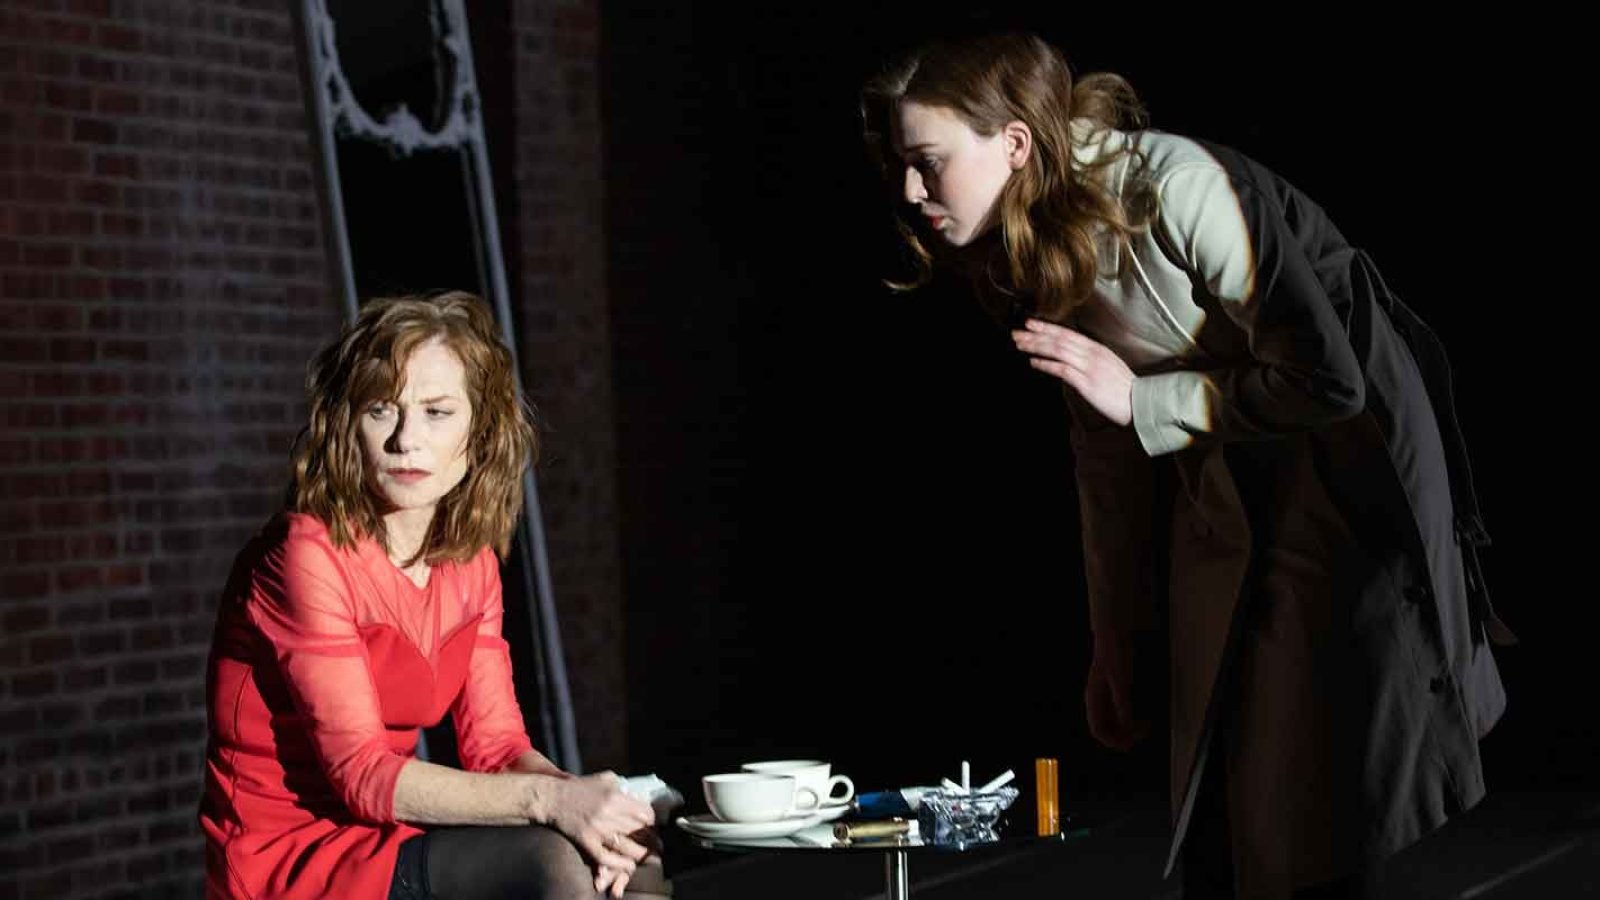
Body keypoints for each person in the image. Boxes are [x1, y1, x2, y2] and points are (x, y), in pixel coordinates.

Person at [860, 32, 1512, 900]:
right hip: (1230, 457)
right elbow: (1104, 454)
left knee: (1318, 786)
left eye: (928, 161)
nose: (910, 191)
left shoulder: (1176, 188)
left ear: (1014, 143)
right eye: (903, 165)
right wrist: (1114, 640)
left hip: (1347, 453)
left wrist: (1142, 404)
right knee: (1225, 772)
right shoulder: (1030, 241)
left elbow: (1327, 380)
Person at [200, 292, 665, 899]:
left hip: (392, 830)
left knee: (634, 855)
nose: (405, 440)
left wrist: (594, 809)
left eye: (437, 412)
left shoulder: (469, 560)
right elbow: (362, 774)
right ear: (348, 425)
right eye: (381, 411)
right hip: (290, 856)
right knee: (559, 864)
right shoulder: (305, 554)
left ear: (478, 432)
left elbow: (496, 748)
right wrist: (555, 801)